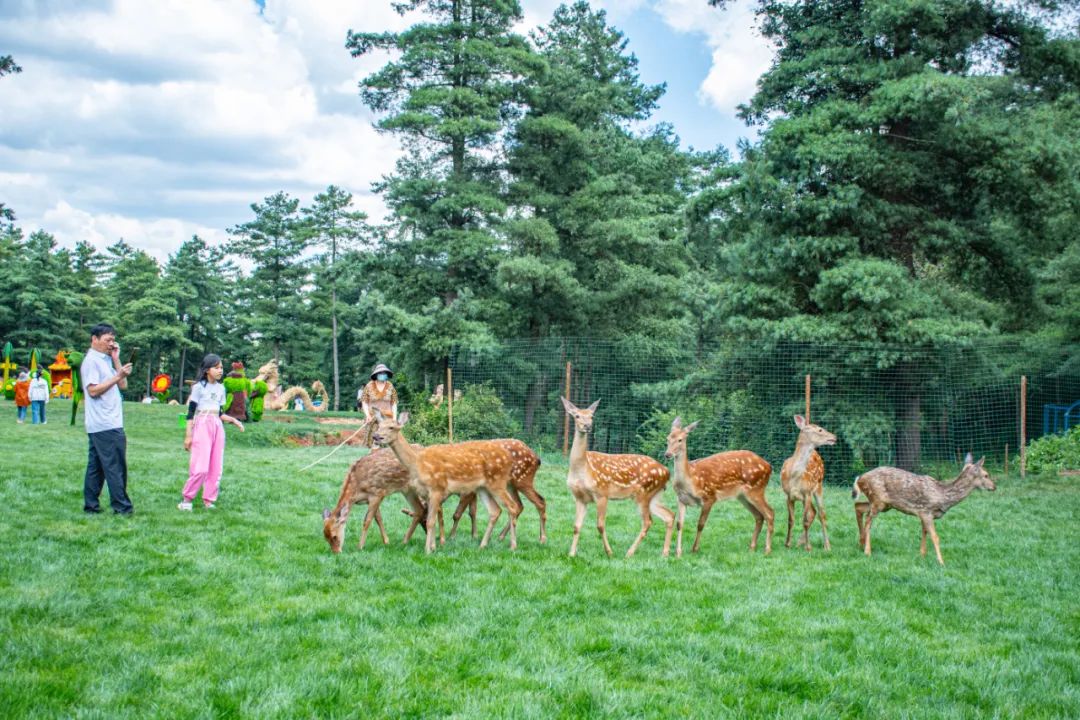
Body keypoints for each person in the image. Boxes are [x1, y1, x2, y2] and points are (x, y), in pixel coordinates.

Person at [178, 354, 244, 511]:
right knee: (200, 467)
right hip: (201, 425)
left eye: (221, 367)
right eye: (217, 367)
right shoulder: (198, 387)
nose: (220, 370)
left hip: (217, 426)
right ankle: (187, 499)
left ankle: (209, 500)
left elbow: (220, 413)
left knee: (216, 466)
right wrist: (188, 436)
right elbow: (190, 413)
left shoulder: (221, 388)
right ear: (207, 370)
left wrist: (234, 421)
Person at [81, 323, 134, 515]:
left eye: (113, 339)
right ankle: (122, 507)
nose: (111, 343)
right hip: (106, 423)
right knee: (115, 466)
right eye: (107, 340)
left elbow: (123, 385)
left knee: (96, 468)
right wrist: (117, 375)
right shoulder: (91, 361)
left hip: (103, 423)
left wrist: (117, 361)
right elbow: (93, 390)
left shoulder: (105, 360)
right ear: (94, 339)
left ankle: (91, 506)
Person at [359, 363, 398, 446]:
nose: (382, 375)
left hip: (386, 418)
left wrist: (394, 418)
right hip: (372, 418)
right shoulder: (369, 386)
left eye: (384, 373)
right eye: (380, 373)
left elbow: (394, 403)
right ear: (376, 374)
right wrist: (368, 415)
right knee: (371, 441)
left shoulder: (390, 386)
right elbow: (364, 402)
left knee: (385, 441)